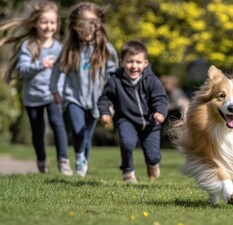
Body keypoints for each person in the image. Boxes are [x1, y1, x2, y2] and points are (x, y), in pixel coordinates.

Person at [0, 1, 72, 175]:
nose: (48, 26)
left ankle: (63, 161)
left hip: (52, 95)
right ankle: (41, 161)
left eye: (52, 22)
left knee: (57, 124)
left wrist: (61, 91)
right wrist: (40, 65)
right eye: (44, 22)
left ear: (57, 24)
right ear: (35, 23)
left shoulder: (59, 48)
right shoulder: (28, 46)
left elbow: (64, 73)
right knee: (37, 131)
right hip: (32, 96)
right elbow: (22, 71)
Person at [50, 2, 118, 177]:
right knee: (77, 128)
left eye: (91, 23)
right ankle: (80, 156)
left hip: (97, 99)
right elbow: (57, 69)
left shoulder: (107, 50)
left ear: (98, 24)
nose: (86, 29)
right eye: (82, 25)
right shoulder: (70, 48)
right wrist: (54, 90)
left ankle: (82, 164)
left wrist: (111, 100)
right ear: (74, 26)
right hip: (74, 96)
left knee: (86, 134)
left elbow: (113, 77)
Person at [97, 40, 168, 183]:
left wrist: (160, 111)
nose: (134, 66)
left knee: (153, 156)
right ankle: (128, 171)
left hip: (151, 122)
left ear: (145, 63)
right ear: (122, 62)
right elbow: (104, 99)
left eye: (138, 62)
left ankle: (152, 164)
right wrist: (105, 112)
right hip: (126, 120)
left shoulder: (151, 80)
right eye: (129, 62)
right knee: (127, 143)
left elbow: (160, 98)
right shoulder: (115, 80)